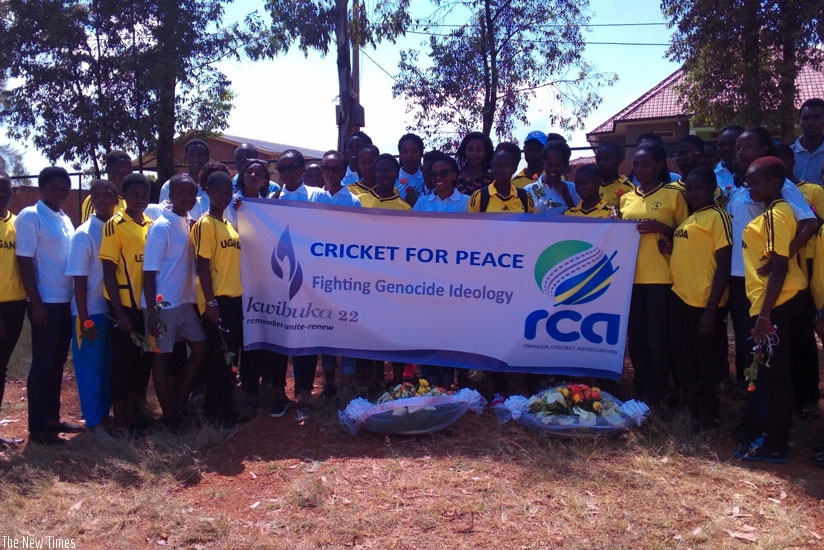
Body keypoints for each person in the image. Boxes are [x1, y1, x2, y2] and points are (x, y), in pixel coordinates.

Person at [726, 128, 817, 398]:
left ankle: (794, 399)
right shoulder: (744, 185)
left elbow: (809, 222)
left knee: (777, 343)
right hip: (739, 274)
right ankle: (753, 395)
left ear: (764, 150)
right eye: (738, 148)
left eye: (747, 147)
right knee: (747, 338)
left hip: (766, 278)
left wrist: (783, 256)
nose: (739, 152)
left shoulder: (780, 186)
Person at [734, 157, 808, 463]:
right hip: (767, 302)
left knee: (774, 375)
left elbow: (779, 267)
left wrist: (765, 316)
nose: (750, 188)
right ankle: (771, 433)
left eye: (756, 183)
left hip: (775, 304)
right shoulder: (770, 212)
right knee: (769, 372)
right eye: (748, 182)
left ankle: (776, 442)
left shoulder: (777, 213)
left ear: (775, 183)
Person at [619, 142, 688, 405]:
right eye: (636, 164)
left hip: (661, 278)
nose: (639, 169)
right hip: (631, 278)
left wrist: (662, 229)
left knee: (657, 337)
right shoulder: (626, 198)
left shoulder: (674, 195)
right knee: (636, 337)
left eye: (646, 164)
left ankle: (658, 391)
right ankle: (641, 387)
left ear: (660, 165)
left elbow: (687, 232)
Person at [15, 166, 80, 445]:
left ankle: (53, 419)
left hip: (65, 301)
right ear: (42, 189)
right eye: (54, 187)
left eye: (65, 188)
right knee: (42, 364)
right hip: (45, 303)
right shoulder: (31, 215)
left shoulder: (64, 218)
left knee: (57, 362)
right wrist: (37, 304)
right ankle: (38, 428)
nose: (60, 192)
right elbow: (24, 261)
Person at [468, 143, 534, 402]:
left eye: (505, 165)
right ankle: (498, 387)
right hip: (490, 276)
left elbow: (534, 233)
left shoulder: (525, 198)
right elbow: (471, 234)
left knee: (516, 328)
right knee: (493, 329)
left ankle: (523, 383)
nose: (500, 170)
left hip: (517, 275)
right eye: (495, 165)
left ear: (514, 168)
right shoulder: (481, 197)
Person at [667, 167, 732, 430]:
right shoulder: (690, 218)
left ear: (712, 189)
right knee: (684, 356)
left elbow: (724, 265)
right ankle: (690, 404)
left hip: (704, 302)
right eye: (689, 189)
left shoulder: (718, 217)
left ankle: (709, 412)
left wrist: (711, 310)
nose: (693, 193)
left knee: (708, 360)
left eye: (699, 188)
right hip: (681, 297)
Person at [143, 174, 207, 432]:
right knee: (161, 359)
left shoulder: (187, 222)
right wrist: (152, 312)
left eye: (191, 193)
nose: (187, 198)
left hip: (185, 302)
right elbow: (149, 272)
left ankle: (179, 404)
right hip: (163, 306)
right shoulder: (161, 227)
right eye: (181, 193)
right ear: (170, 196)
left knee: (200, 349)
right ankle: (169, 416)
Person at [100, 173, 154, 435]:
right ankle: (120, 420)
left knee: (143, 361)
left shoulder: (151, 225)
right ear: (124, 197)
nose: (141, 199)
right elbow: (108, 270)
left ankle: (135, 415)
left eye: (145, 195)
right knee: (123, 363)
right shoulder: (115, 224)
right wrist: (118, 312)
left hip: (147, 306)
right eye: (135, 195)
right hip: (125, 306)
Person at [66, 179, 119, 441]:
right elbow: (78, 279)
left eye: (107, 195)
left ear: (116, 200)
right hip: (89, 311)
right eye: (96, 196)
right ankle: (94, 422)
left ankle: (105, 416)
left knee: (107, 367)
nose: (101, 200)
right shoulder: (84, 234)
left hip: (111, 309)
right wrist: (84, 319)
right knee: (90, 369)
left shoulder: (116, 228)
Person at [193, 171, 244, 426]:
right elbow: (202, 265)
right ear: (208, 193)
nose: (223, 196)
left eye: (227, 192)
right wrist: (210, 302)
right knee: (218, 358)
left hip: (234, 299)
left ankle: (227, 408)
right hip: (217, 300)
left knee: (230, 357)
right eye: (218, 192)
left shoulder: (227, 225)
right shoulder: (205, 223)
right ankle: (213, 412)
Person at [0, 171, 26, 446]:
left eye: (5, 188)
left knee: (2, 368)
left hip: (15, 305)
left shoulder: (18, 224)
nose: (1, 194)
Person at [524, 140, 580, 216]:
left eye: (557, 165)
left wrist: (566, 196)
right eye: (549, 164)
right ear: (543, 163)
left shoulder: (572, 189)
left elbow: (579, 218)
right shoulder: (528, 190)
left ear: (565, 165)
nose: (553, 169)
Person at [80, 150, 131, 222]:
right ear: (108, 170)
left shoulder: (130, 200)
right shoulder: (96, 199)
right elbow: (90, 227)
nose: (124, 176)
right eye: (120, 171)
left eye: (128, 172)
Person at [157, 139, 210, 204]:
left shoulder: (214, 187)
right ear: (186, 158)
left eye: (200, 155)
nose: (196, 159)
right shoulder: (170, 186)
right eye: (192, 155)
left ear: (207, 158)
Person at [226, 159, 272, 230]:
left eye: (258, 174)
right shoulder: (228, 201)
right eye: (249, 172)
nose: (252, 175)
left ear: (264, 182)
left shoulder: (267, 208)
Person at [791, 98, 824, 184]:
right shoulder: (789, 154)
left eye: (816, 118)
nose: (810, 123)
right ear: (799, 121)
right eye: (805, 118)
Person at [595, 142, 633, 212]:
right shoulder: (592, 186)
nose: (602, 163)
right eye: (598, 160)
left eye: (607, 159)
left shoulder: (628, 188)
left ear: (619, 159)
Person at [715, 125, 744, 190]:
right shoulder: (711, 176)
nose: (727, 149)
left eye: (732, 144)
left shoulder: (756, 175)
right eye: (722, 144)